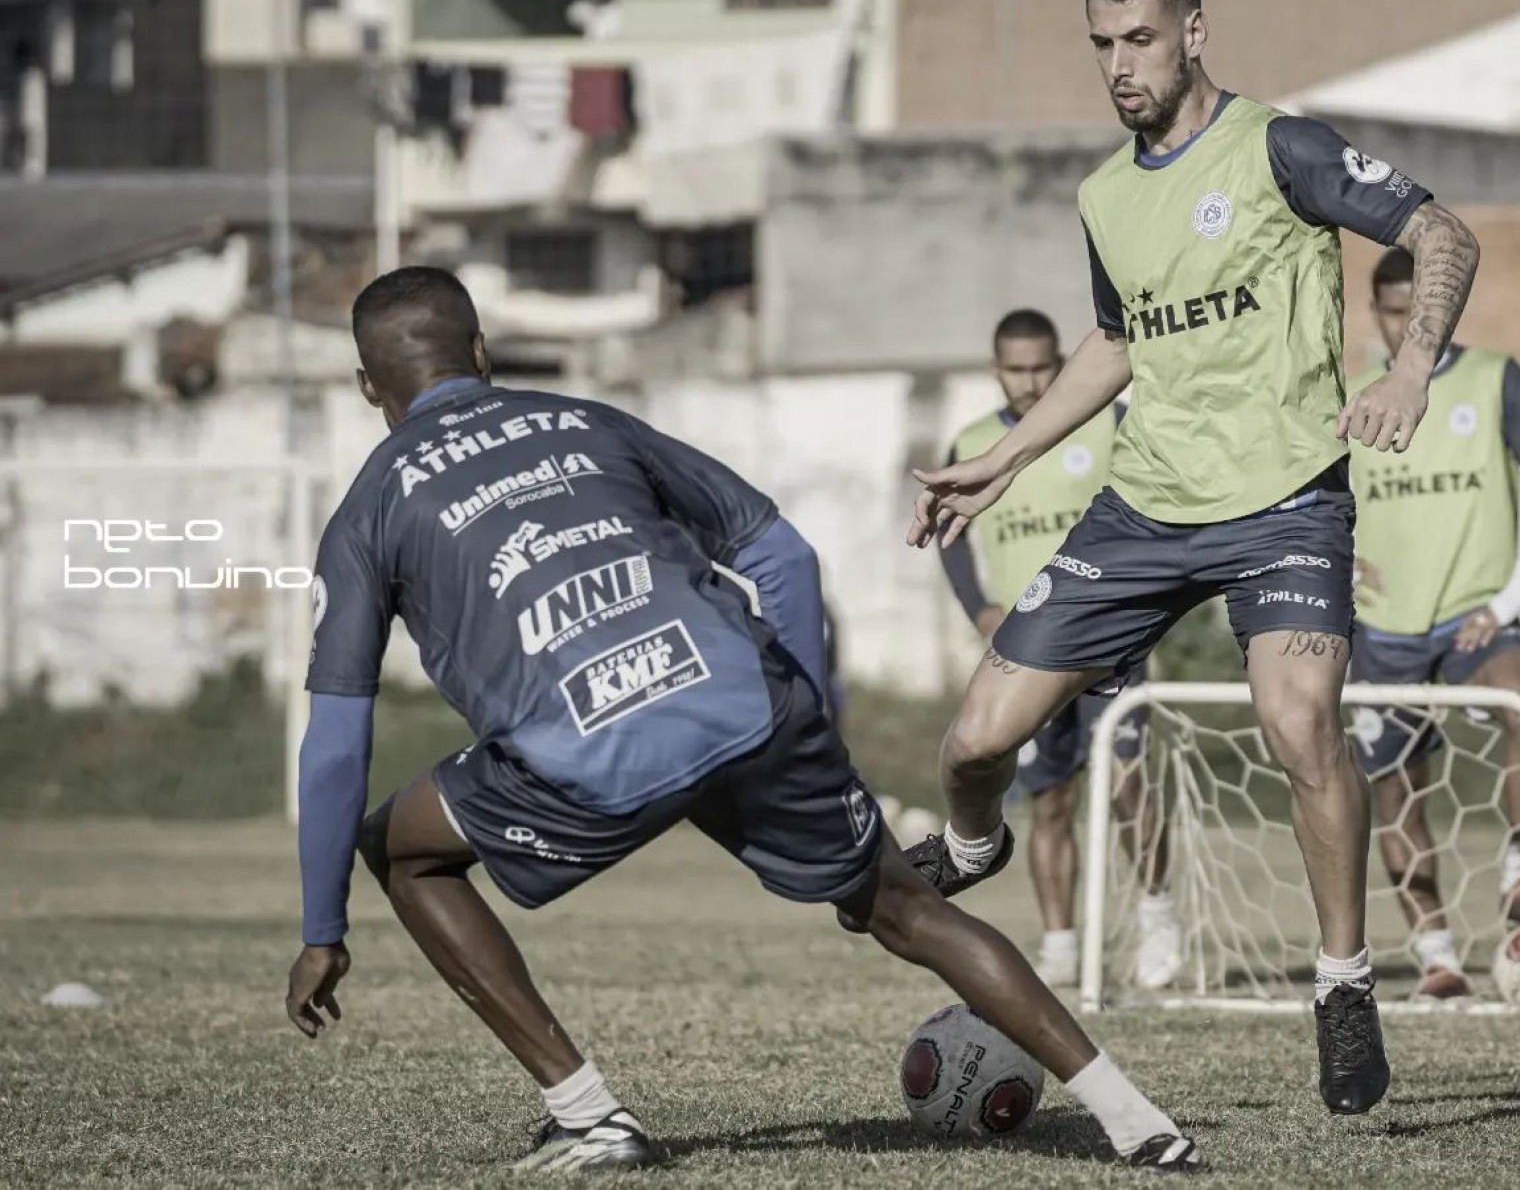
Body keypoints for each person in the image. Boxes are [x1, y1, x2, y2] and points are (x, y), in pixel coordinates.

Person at [284, 267, 1208, 1174]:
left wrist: (323, 930)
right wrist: (811, 724)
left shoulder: (368, 509)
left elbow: (335, 738)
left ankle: (590, 1115)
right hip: (747, 705)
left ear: (369, 386)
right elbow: (783, 555)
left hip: (586, 751)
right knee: (903, 907)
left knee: (403, 851)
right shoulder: (587, 421)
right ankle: (1135, 1120)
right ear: (480, 351)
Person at [901, 0, 1481, 1117]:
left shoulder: (1280, 146)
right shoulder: (1103, 194)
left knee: (1298, 717)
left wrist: (1411, 368)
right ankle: (971, 850)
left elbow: (1443, 235)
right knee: (971, 746)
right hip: (1144, 508)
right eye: (1102, 45)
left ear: (1194, 32)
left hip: (1284, 502)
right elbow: (1117, 340)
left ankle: (1342, 982)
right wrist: (1003, 461)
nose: (1120, 66)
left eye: (1141, 40)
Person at [1344, 247, 1520, 1001]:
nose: (1408, 322)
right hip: (1384, 629)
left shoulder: (1494, 378)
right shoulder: (1348, 396)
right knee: (1394, 789)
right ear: (1373, 314)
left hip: (1473, 617)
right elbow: (1300, 496)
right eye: (1392, 309)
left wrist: (1507, 601)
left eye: (1421, 307)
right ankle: (1437, 955)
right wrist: (1330, 561)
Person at [939, 307, 1180, 989]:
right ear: (995, 369)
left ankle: (1159, 916)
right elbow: (952, 540)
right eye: (1015, 368)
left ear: (1061, 361)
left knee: (1129, 786)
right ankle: (1060, 942)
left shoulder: (1108, 419)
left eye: (1042, 364)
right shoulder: (973, 442)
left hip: (1112, 643)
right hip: (1027, 653)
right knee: (1048, 800)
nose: (1029, 379)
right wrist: (979, 607)